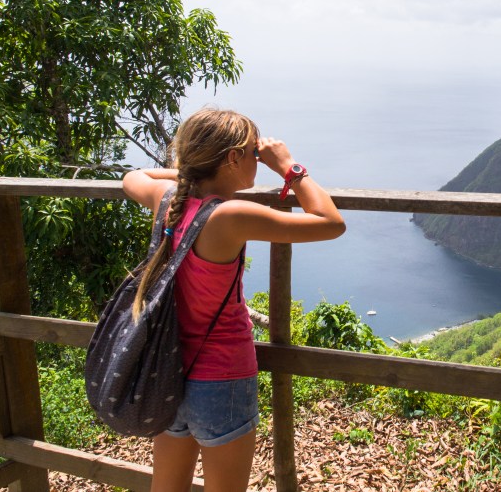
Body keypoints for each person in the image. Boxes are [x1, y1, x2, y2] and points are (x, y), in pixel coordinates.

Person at [122, 107, 345, 492]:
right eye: (252, 154)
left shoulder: (166, 199)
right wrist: (290, 167)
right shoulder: (231, 215)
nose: (257, 161)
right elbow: (330, 223)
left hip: (167, 369)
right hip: (221, 377)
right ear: (231, 159)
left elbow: (131, 177)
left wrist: (191, 175)